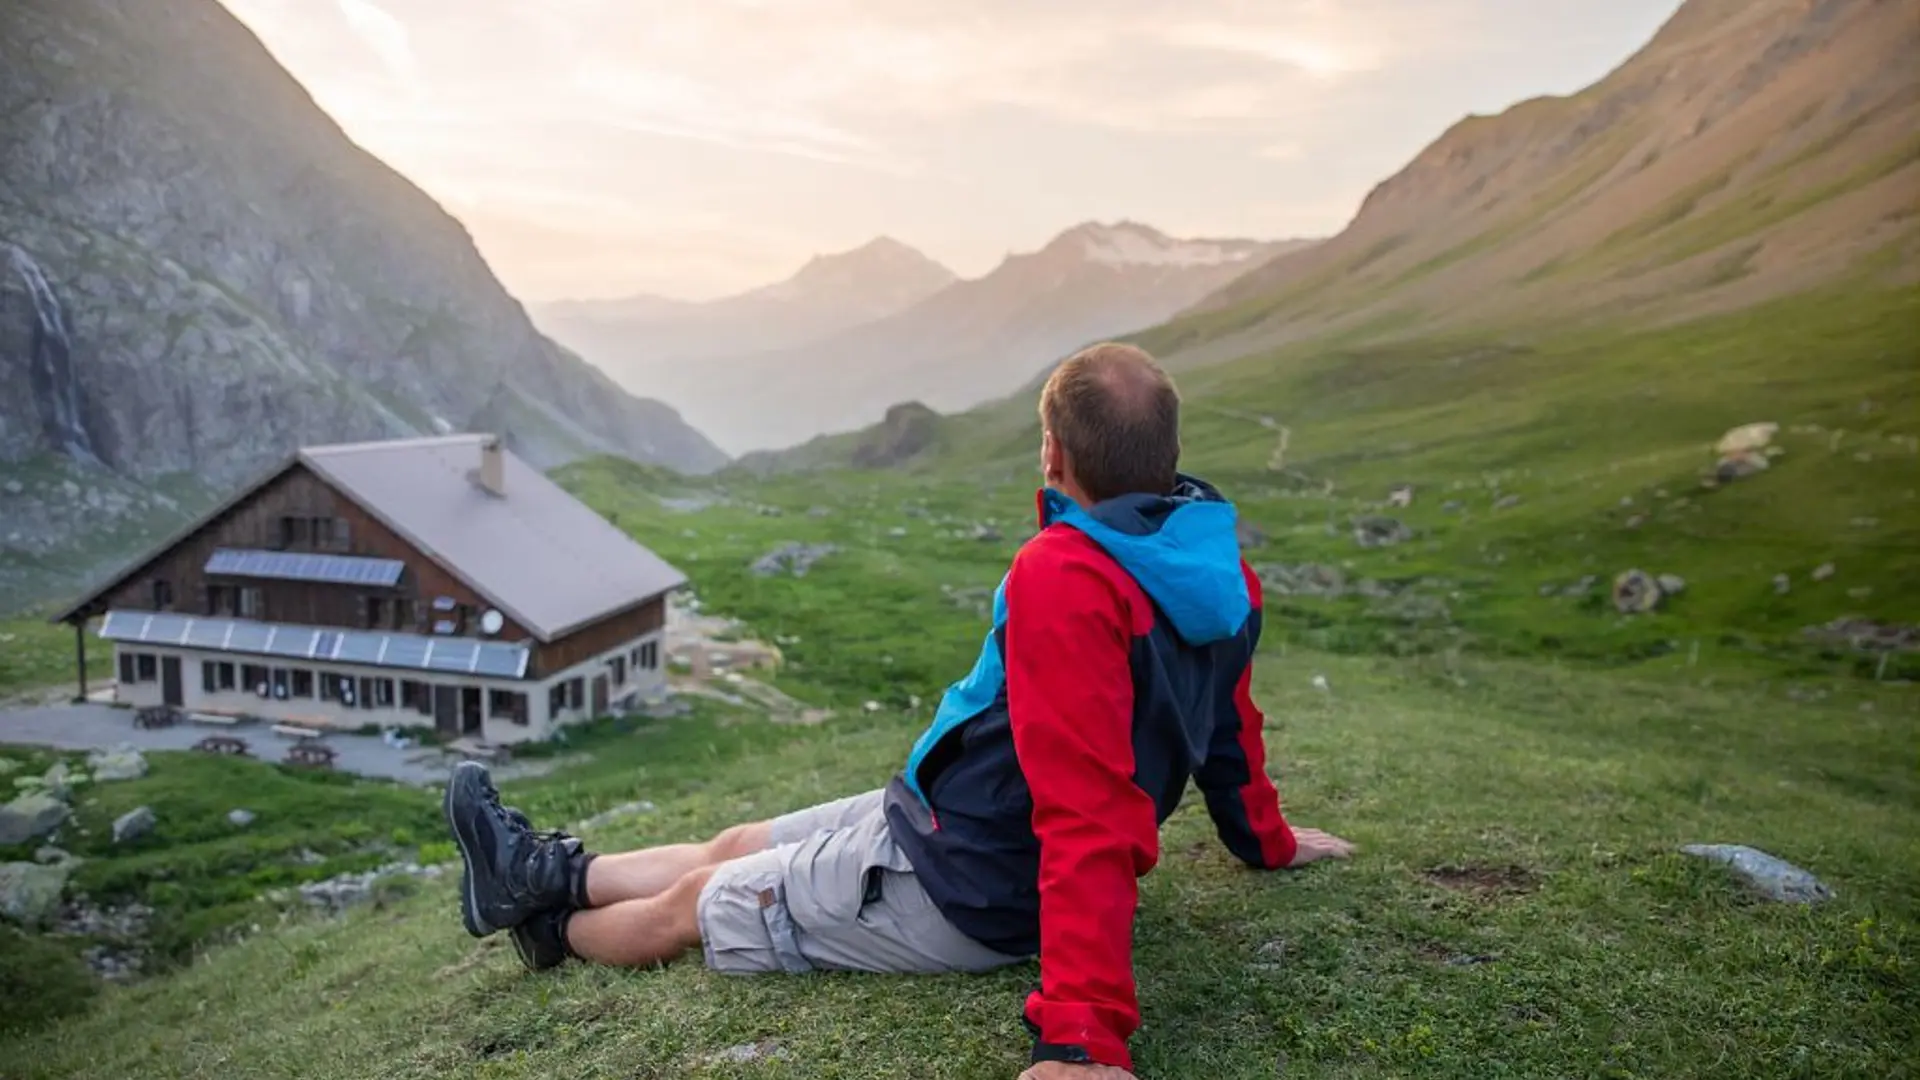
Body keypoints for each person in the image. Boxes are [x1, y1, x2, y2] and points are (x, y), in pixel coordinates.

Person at [443, 342, 1356, 1080]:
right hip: (940, 820)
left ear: (1054, 455)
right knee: (733, 843)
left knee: (696, 901)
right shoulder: (1219, 571)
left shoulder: (1069, 577)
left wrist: (1082, 1037)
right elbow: (1229, 732)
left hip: (970, 885)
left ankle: (549, 927)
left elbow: (1087, 806)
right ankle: (538, 867)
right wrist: (1265, 841)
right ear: (1167, 457)